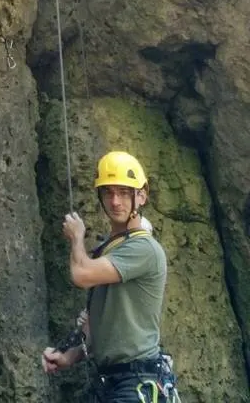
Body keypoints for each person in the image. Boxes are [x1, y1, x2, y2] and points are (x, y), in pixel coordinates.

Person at [41, 151, 175, 402]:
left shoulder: (143, 249)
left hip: (134, 383)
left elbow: (81, 274)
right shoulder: (112, 249)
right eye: (108, 192)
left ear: (142, 195)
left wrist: (77, 237)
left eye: (125, 192)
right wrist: (68, 356)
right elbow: (101, 324)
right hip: (112, 383)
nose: (115, 201)